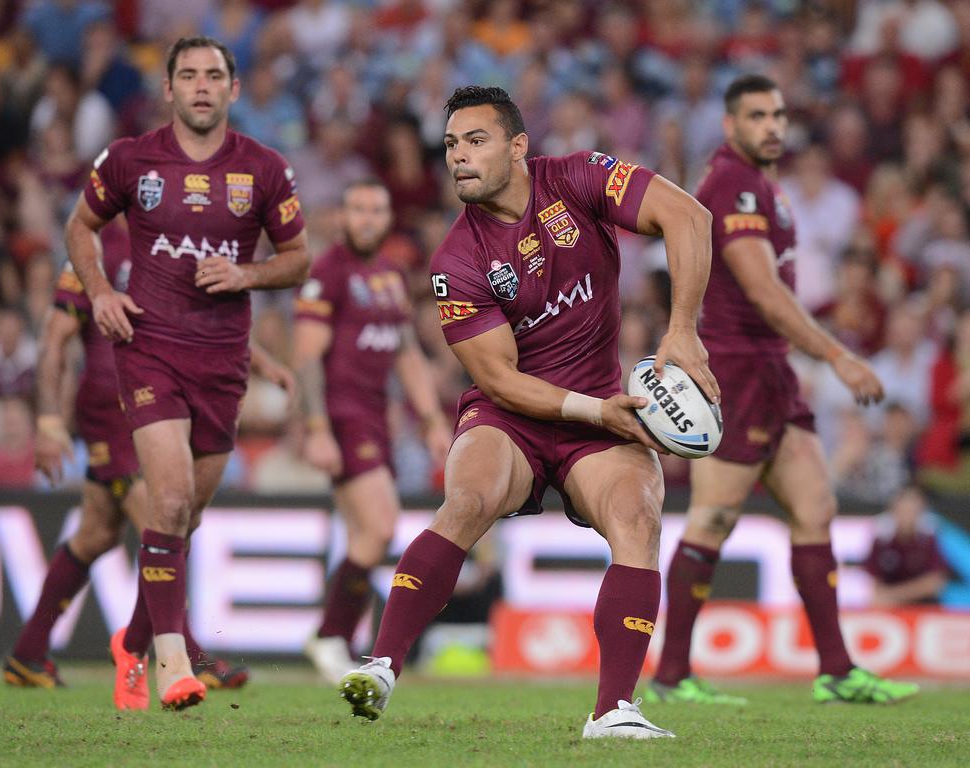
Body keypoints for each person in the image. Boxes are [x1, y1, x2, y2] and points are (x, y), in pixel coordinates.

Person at [338, 85, 718, 740]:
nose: (458, 157)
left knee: (638, 516)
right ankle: (382, 665)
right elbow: (501, 380)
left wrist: (682, 328)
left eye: (475, 141)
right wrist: (599, 412)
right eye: (452, 145)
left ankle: (612, 711)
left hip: (598, 411)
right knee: (468, 497)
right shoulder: (455, 260)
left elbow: (689, 216)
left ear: (518, 147)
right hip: (514, 414)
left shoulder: (577, 178)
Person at [647, 74, 919, 706]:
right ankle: (670, 675)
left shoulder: (765, 186)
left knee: (815, 509)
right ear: (730, 125)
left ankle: (836, 670)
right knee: (713, 518)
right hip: (739, 373)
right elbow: (766, 295)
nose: (772, 125)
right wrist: (840, 356)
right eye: (757, 116)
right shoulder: (733, 187)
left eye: (778, 114)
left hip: (773, 375)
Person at [64, 36, 310, 710]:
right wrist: (101, 294)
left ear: (233, 89)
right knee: (167, 502)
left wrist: (246, 273)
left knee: (184, 518)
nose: (202, 86)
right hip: (149, 347)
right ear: (169, 88)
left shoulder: (264, 169)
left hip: (223, 359)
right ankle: (172, 663)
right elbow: (80, 228)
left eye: (214, 76)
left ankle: (132, 640)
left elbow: (298, 259)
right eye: (189, 75)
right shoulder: (130, 159)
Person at [3, 223, 294, 695]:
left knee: (95, 534)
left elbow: (198, 325)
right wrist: (48, 422)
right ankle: (186, 655)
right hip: (109, 412)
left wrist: (263, 364)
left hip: (157, 406)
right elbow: (56, 335)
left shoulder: (178, 239)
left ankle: (27, 652)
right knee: (166, 520)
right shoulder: (95, 247)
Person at [292, 179, 452, 683]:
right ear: (342, 216)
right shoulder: (328, 273)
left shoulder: (391, 274)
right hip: (343, 415)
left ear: (387, 218)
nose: (366, 218)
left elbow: (406, 353)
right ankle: (331, 636)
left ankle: (331, 636)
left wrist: (430, 420)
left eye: (376, 209)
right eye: (357, 208)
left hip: (378, 415)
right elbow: (306, 358)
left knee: (368, 534)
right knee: (380, 526)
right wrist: (316, 428)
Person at [864, 485, 950, 606]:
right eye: (904, 509)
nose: (908, 514)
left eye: (912, 509)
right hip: (889, 607)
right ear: (893, 510)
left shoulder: (929, 537)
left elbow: (935, 582)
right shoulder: (881, 538)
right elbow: (874, 581)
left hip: (924, 605)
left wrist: (894, 596)